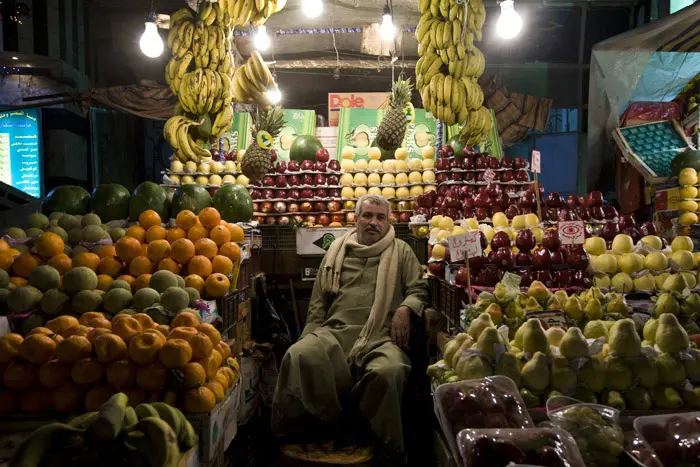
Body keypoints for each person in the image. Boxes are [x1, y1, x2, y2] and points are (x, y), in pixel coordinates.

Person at [272, 194, 429, 463]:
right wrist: (309, 332)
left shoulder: (401, 251)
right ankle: (305, 437)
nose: (373, 222)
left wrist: (405, 308)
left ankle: (381, 448)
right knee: (299, 355)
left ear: (389, 221)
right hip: (334, 332)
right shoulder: (337, 251)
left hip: (380, 337)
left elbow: (418, 289)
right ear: (356, 219)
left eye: (380, 217)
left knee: (389, 371)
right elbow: (319, 300)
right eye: (367, 216)